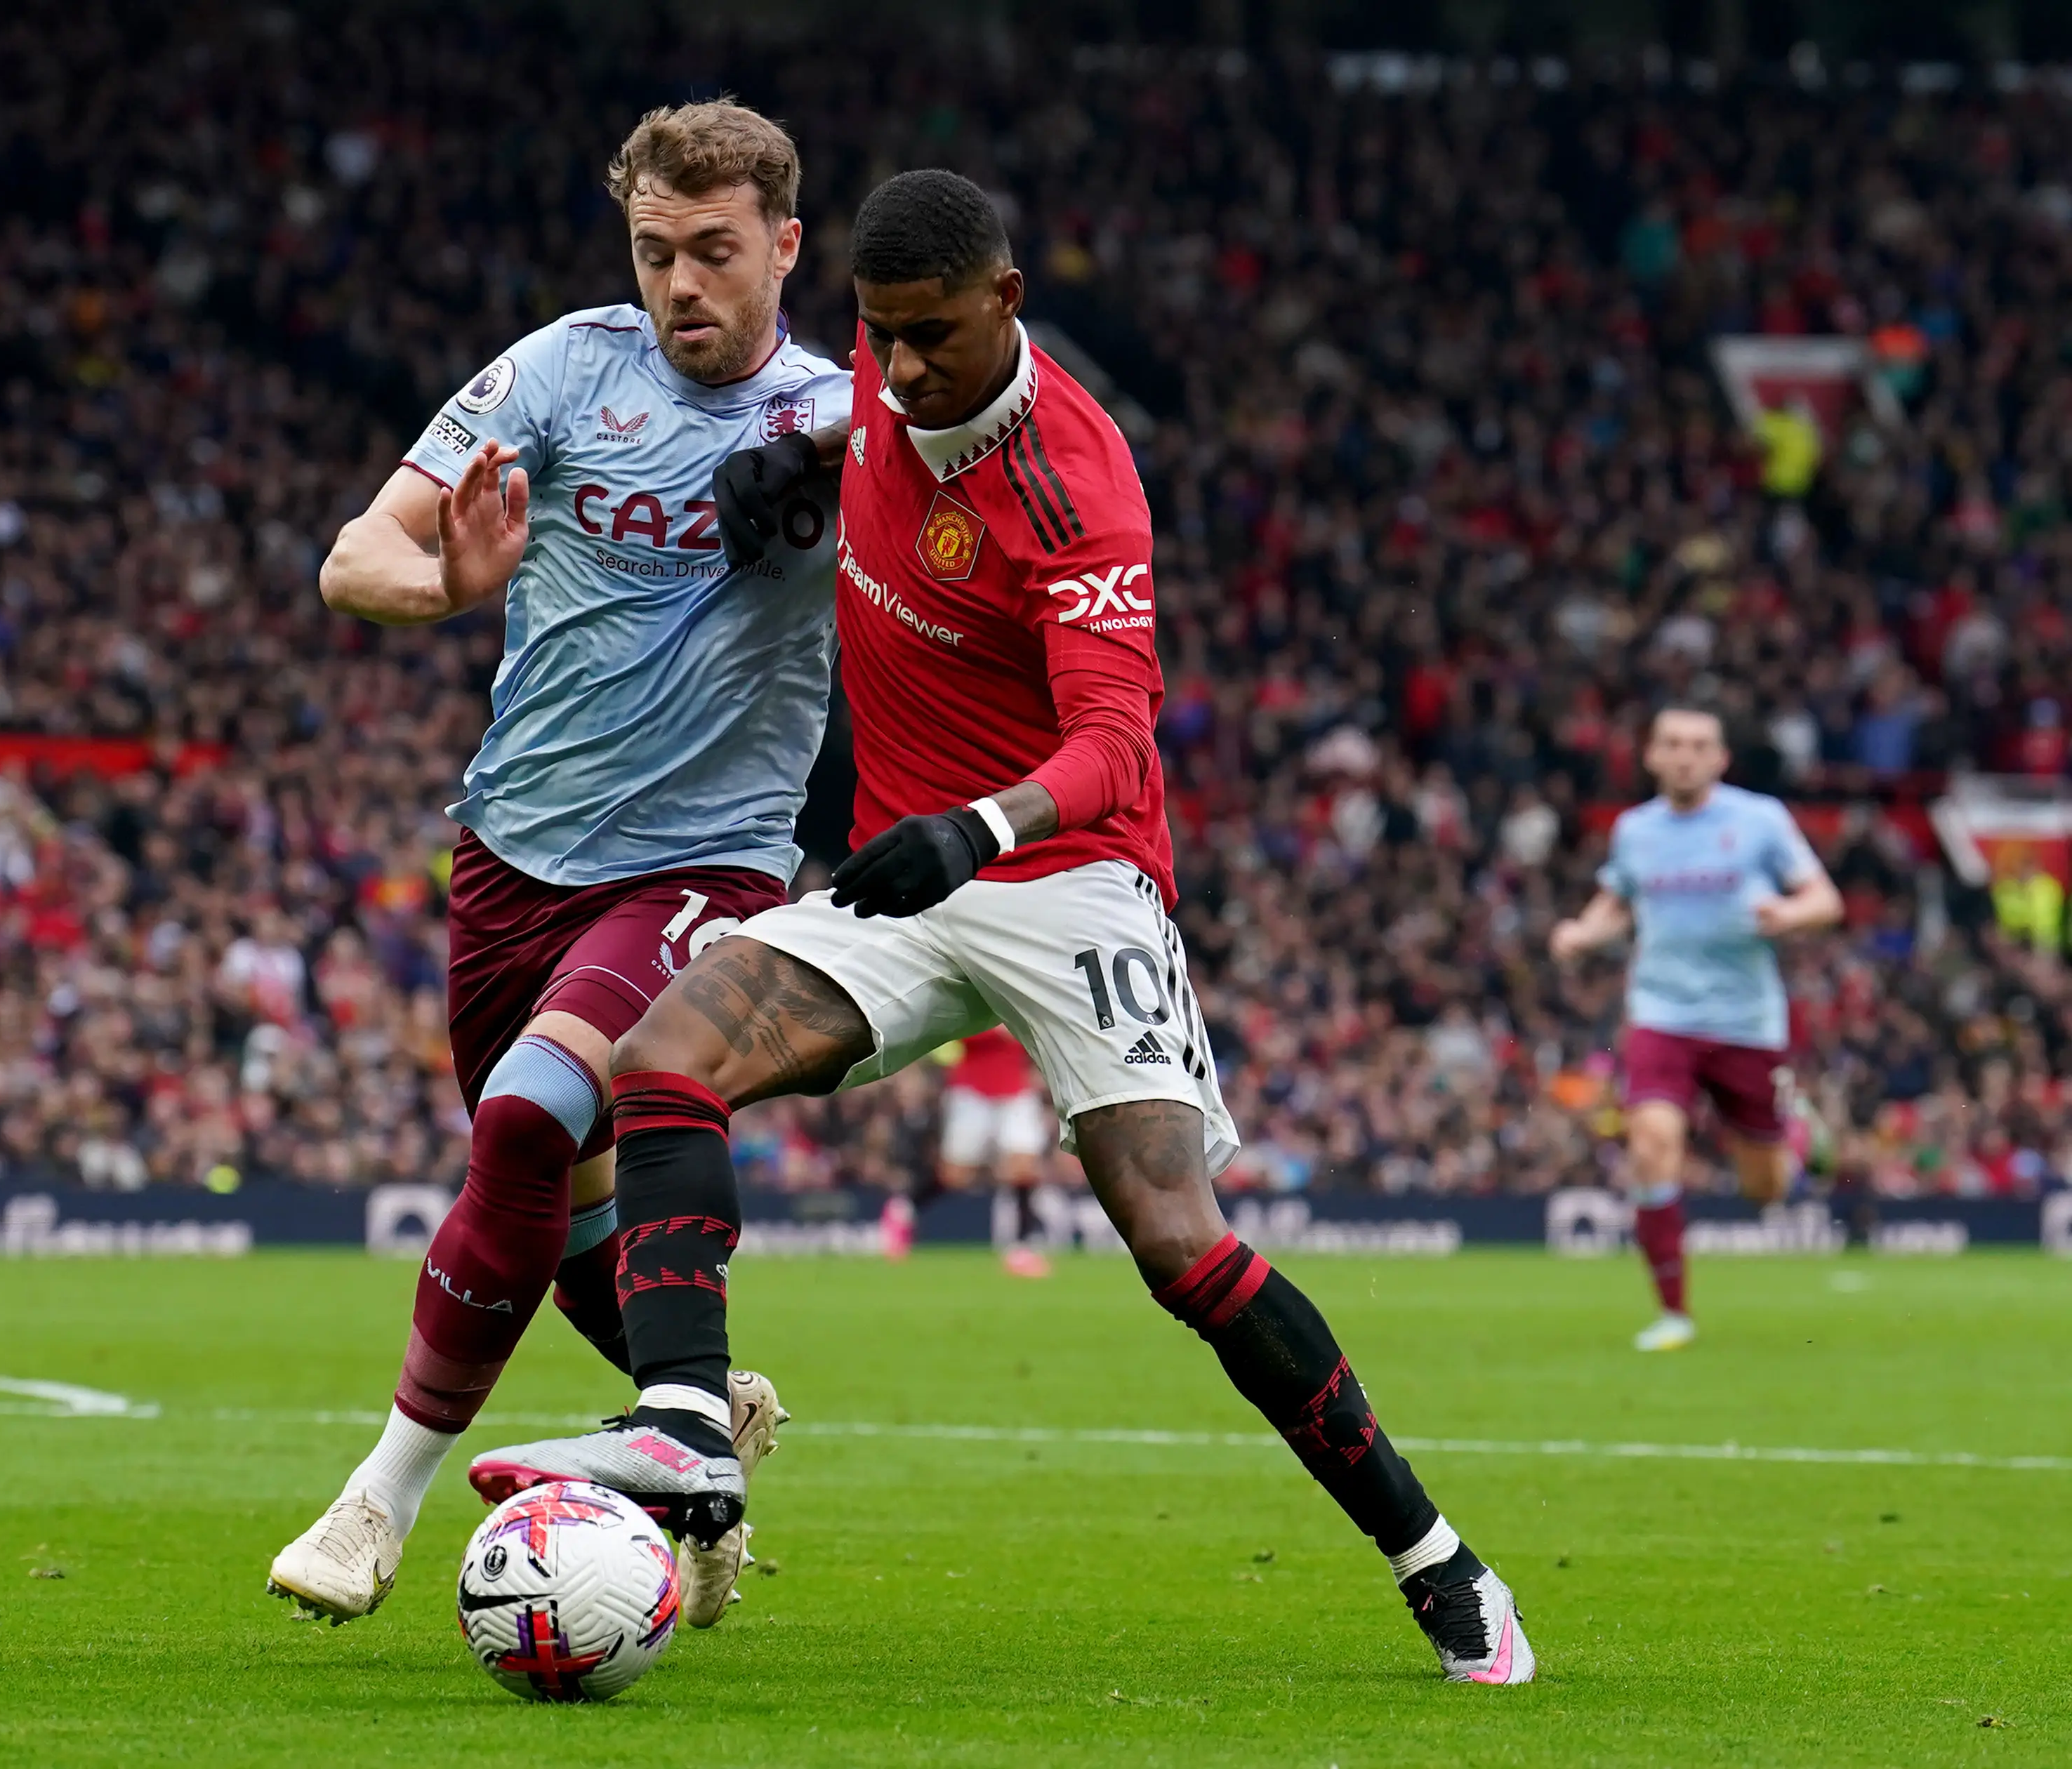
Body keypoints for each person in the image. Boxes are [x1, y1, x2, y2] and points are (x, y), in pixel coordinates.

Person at [470, 170, 1534, 1685]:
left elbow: (1114, 741)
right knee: (659, 1061)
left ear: (1006, 302)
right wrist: (796, 466)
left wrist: (974, 828)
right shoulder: (870, 382)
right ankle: (689, 1431)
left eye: (930, 340)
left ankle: (1434, 1558)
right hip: (903, 882)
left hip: (1066, 873)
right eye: (875, 336)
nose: (899, 371)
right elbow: (834, 422)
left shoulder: (1077, 482)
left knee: (1176, 1245)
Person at [265, 100, 850, 1629]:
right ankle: (703, 1420)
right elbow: (352, 557)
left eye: (714, 253)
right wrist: (446, 588)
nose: (681, 286)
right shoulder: (559, 367)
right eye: (655, 251)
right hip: (511, 856)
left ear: (784, 247)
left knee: (525, 1122)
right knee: (566, 1212)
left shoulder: (837, 425)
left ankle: (371, 1503)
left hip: (704, 869)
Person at [1551, 705, 1842, 1351]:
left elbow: (1826, 901)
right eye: (1673, 744)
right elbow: (1617, 901)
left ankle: (1794, 1133)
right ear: (1651, 756)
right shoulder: (1635, 831)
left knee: (1764, 1191)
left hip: (1746, 1022)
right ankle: (1674, 1313)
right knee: (1652, 1143)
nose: (1685, 756)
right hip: (1661, 1014)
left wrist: (1790, 915)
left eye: (1699, 746)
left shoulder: (1760, 820)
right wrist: (1583, 932)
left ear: (1720, 758)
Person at [881, 1026, 1056, 1275]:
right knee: (955, 1175)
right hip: (973, 1089)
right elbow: (958, 1031)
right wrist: (998, 1031)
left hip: (1016, 1087)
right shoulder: (980, 992)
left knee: (1024, 1167)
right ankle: (902, 1210)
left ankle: (1021, 1248)